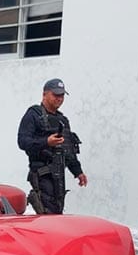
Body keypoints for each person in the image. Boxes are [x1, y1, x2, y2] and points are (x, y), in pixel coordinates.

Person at [17, 78, 88, 214]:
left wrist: (78, 172)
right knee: (47, 213)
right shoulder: (34, 115)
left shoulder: (63, 120)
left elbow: (68, 150)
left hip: (58, 175)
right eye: (56, 95)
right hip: (42, 174)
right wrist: (46, 142)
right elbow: (23, 142)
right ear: (45, 94)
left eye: (62, 95)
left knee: (57, 211)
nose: (59, 99)